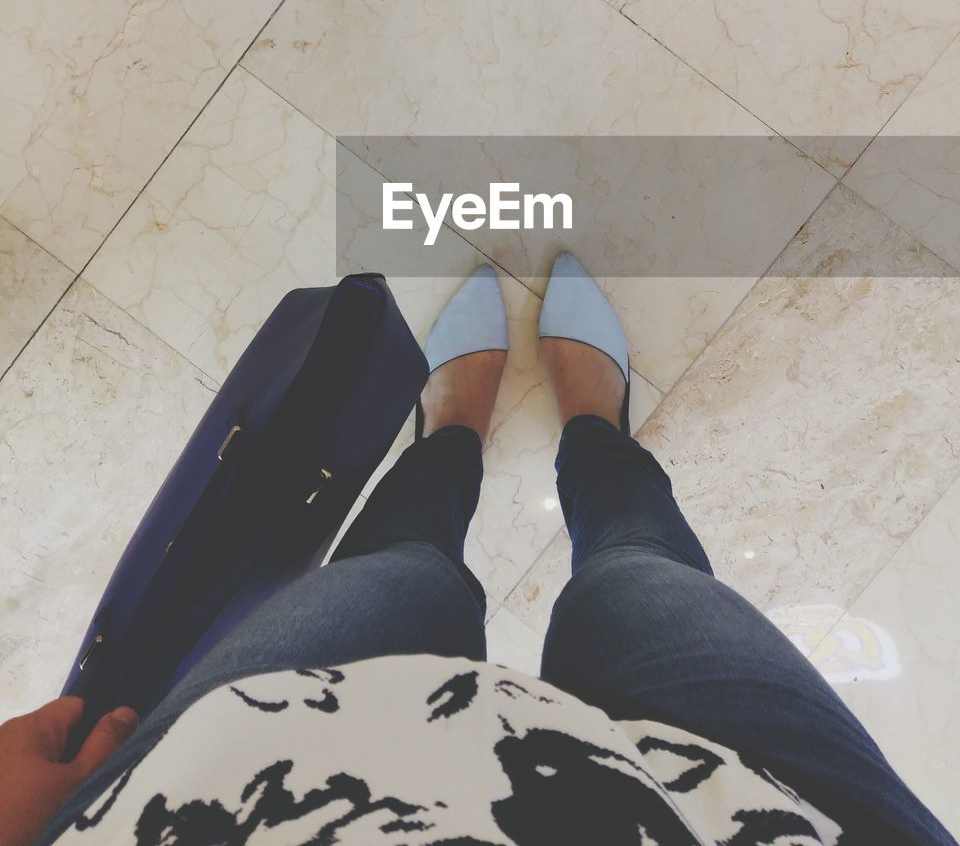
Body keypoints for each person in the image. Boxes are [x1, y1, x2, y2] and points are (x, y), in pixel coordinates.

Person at [4, 255, 955, 845]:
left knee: (403, 573)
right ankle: (592, 430)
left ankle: (454, 435)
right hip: (772, 818)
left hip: (246, 785)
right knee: (633, 581)